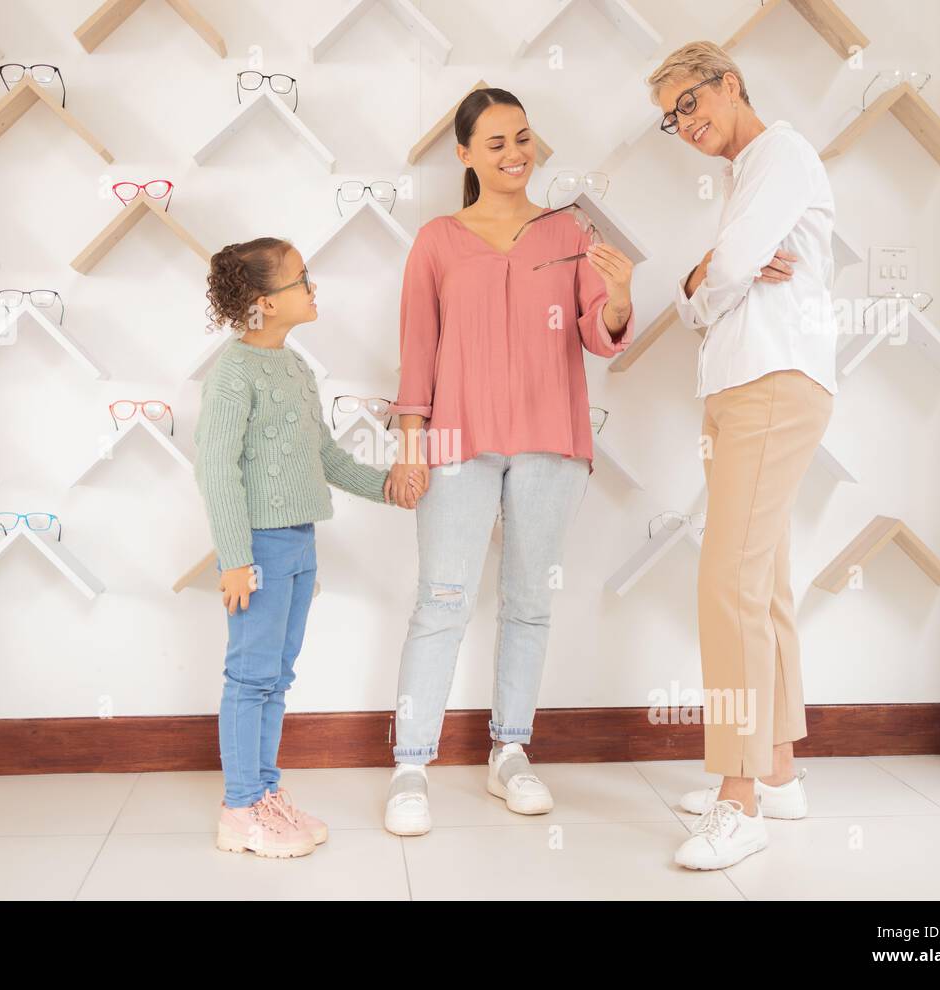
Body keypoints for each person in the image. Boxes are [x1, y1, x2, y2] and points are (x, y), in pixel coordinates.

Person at [382, 87, 637, 836]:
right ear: (464, 156)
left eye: (522, 138)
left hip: (551, 441)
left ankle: (510, 753)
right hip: (456, 442)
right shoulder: (436, 240)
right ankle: (410, 765)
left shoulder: (569, 231)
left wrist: (618, 294)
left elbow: (599, 333)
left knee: (529, 601)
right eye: (494, 144)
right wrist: (410, 452)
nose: (514, 154)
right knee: (442, 601)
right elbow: (417, 355)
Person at [648, 41, 838, 870]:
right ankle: (778, 771)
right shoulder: (746, 176)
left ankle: (737, 795)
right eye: (670, 117)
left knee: (728, 583)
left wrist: (712, 277)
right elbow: (707, 288)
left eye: (691, 103)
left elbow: (718, 276)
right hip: (740, 387)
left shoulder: (779, 154)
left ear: (730, 83)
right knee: (760, 586)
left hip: (771, 381)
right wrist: (708, 279)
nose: (684, 124)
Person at [196, 237, 419, 858]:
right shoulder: (233, 373)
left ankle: (265, 792)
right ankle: (240, 807)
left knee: (277, 676)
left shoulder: (294, 368)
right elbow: (216, 470)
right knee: (250, 676)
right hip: (258, 551)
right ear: (264, 302)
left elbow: (323, 456)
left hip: (298, 542)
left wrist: (385, 487)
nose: (313, 287)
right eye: (302, 280)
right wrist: (236, 559)